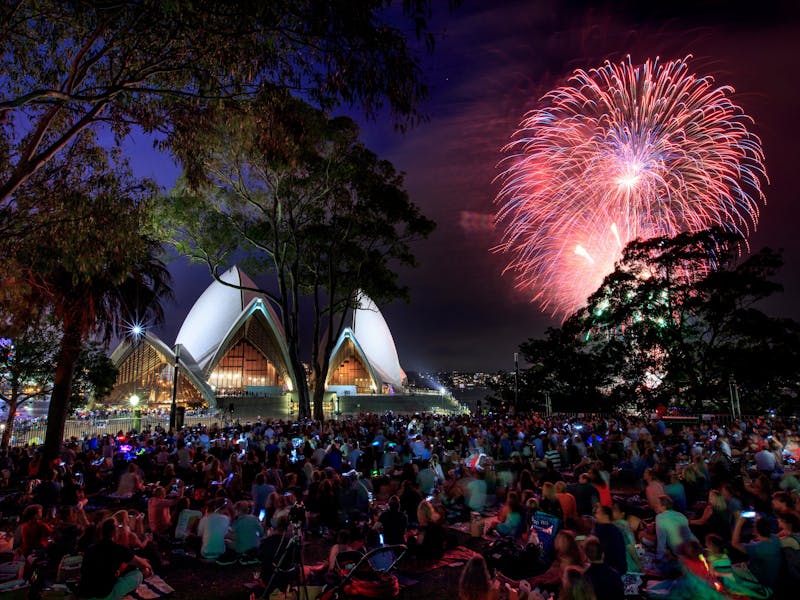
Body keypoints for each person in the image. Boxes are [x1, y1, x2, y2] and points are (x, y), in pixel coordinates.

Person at [77, 517, 152, 600]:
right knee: (144, 571)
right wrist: (147, 565)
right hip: (104, 596)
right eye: (119, 527)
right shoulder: (118, 549)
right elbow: (143, 564)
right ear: (114, 532)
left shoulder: (90, 548)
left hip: (83, 594)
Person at [731, 514, 782, 591]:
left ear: (755, 531)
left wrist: (739, 523)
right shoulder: (774, 538)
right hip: (771, 578)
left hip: (761, 581)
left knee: (728, 571)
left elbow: (734, 543)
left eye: (754, 525)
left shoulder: (757, 548)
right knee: (738, 565)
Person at [655, 495, 697, 561]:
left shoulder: (659, 517)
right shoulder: (680, 515)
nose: (655, 506)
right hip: (694, 546)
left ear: (663, 506)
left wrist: (658, 558)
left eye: (657, 504)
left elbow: (661, 540)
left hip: (681, 551)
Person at [592, 505, 627, 576]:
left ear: (605, 515)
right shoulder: (615, 529)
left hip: (611, 570)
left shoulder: (604, 531)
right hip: (617, 569)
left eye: (598, 513)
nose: (595, 515)